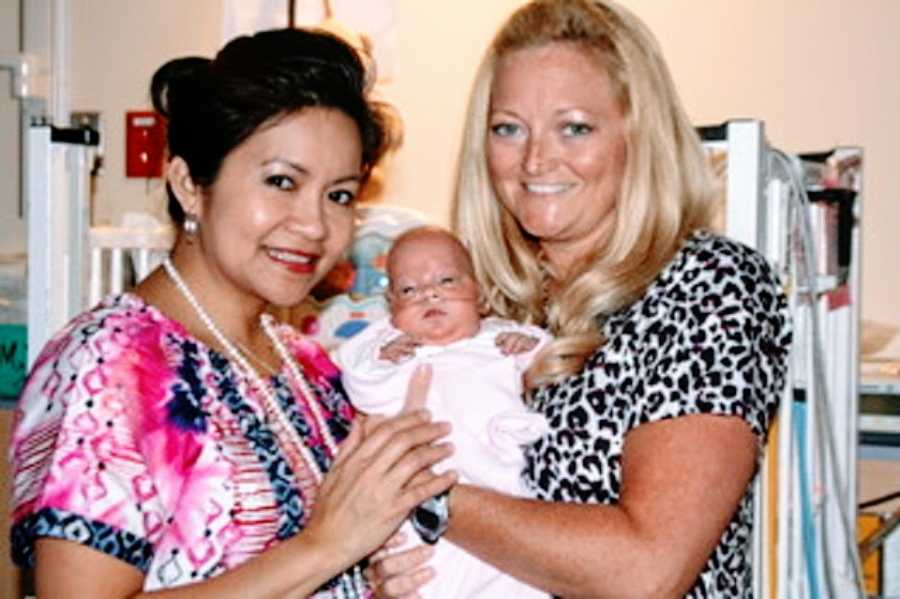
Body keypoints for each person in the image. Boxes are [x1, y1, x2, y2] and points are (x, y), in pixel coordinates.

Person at [8, 28, 456, 598]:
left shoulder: (307, 365)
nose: (315, 225)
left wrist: (370, 580)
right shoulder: (112, 366)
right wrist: (325, 548)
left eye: (339, 195)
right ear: (190, 184)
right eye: (281, 182)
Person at [369, 1, 792, 597]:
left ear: (636, 135)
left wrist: (424, 496)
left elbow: (645, 570)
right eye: (508, 128)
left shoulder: (711, 286)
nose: (536, 160)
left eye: (575, 127)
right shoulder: (480, 303)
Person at [335, 225, 549, 598]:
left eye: (447, 280)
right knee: (428, 578)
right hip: (423, 511)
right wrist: (382, 357)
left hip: (499, 489)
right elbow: (359, 383)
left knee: (516, 581)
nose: (429, 294)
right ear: (391, 307)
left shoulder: (497, 338)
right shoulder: (392, 347)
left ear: (480, 295)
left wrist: (527, 346)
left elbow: (547, 359)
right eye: (409, 290)